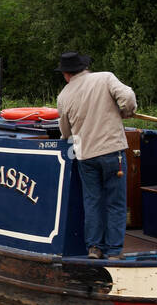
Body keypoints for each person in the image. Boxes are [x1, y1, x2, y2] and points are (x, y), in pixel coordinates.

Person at [54, 51, 138, 260]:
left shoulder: (64, 95)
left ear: (66, 74)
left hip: (85, 154)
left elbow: (65, 132)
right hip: (112, 151)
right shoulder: (105, 77)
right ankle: (114, 251)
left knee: (92, 202)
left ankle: (94, 248)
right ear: (84, 67)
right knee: (115, 202)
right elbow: (127, 97)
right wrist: (126, 111)